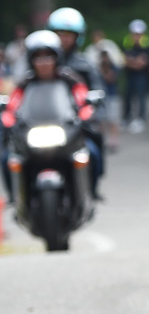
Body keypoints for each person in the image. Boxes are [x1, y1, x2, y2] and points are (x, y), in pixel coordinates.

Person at [2, 31, 97, 201]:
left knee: (93, 152)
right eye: (39, 58)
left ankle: (92, 192)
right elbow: (12, 105)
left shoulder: (69, 79)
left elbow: (82, 99)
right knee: (7, 158)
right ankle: (14, 198)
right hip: (31, 132)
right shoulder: (25, 83)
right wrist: (8, 119)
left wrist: (85, 113)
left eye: (48, 57)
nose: (44, 63)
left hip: (65, 131)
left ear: (56, 58)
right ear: (32, 60)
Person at [46, 7, 105, 198]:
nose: (64, 38)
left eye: (69, 34)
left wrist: (93, 108)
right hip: (43, 120)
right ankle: (18, 195)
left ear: (77, 37)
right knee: (11, 155)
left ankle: (92, 188)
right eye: (59, 34)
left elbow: (97, 90)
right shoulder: (39, 61)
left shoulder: (84, 64)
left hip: (74, 122)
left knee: (94, 151)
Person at [123, 20, 149, 133]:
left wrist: (133, 62)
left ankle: (141, 118)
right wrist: (134, 62)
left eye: (138, 34)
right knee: (127, 96)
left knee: (141, 96)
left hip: (142, 75)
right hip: (130, 74)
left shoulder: (146, 44)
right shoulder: (127, 43)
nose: (136, 36)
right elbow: (124, 59)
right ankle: (127, 118)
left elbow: (143, 63)